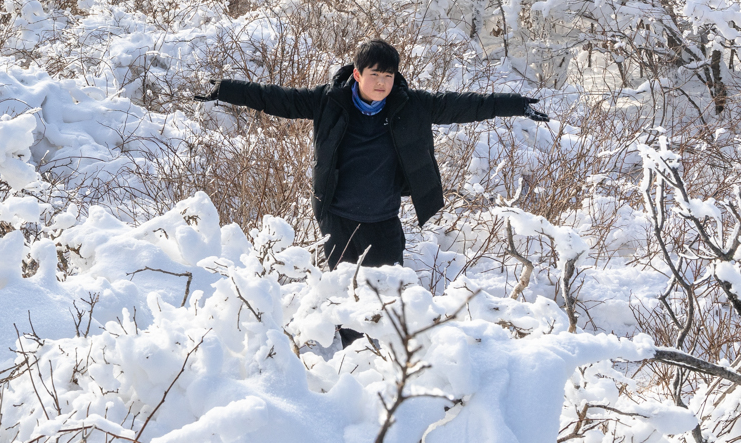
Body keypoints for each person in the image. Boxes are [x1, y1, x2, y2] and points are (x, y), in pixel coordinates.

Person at [196, 39, 546, 341]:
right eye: (374, 75)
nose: (381, 83)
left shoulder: (411, 105)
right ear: (358, 74)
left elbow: (468, 104)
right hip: (338, 217)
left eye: (388, 76)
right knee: (349, 294)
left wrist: (517, 105)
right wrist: (223, 89)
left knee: (389, 294)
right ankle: (353, 359)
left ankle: (387, 358)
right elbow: (274, 98)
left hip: (383, 218)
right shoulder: (328, 102)